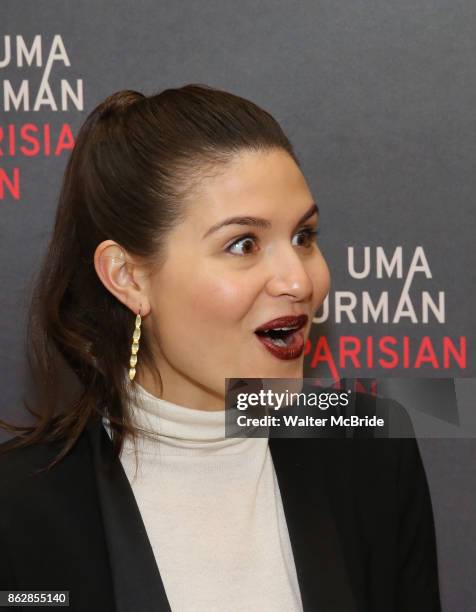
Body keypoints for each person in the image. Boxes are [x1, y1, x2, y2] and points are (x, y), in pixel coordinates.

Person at [0, 84, 441, 611]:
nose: (298, 280)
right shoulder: (18, 505)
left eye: (304, 237)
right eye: (244, 245)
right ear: (128, 277)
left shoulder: (369, 449)